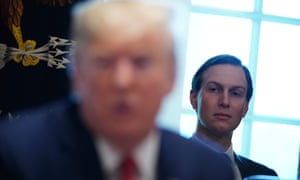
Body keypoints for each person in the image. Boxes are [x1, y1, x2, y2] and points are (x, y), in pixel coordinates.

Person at [0, 1, 235, 179]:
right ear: (77, 73)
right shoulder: (17, 155)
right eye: (104, 62)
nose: (122, 81)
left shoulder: (209, 170)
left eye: (141, 62)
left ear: (171, 76)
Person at [189, 54, 278, 180]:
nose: (225, 101)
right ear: (193, 99)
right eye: (214, 89)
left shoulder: (266, 176)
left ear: (245, 108)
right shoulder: (159, 165)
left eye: (236, 93)